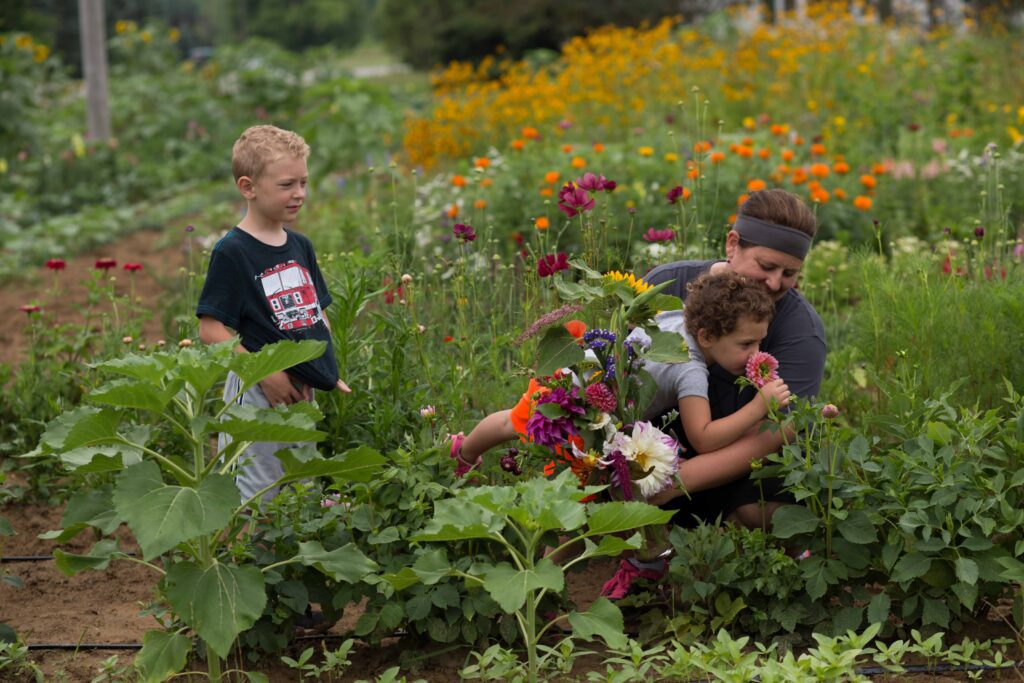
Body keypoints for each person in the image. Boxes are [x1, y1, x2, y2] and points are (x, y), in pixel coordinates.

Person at [599, 188, 826, 598]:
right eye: (767, 266)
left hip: (739, 458)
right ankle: (643, 552)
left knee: (761, 509)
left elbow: (782, 430)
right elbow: (619, 375)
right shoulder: (667, 284)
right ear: (732, 243)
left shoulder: (799, 332)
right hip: (662, 445)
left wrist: (677, 482)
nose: (777, 284)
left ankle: (776, 561)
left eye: (790, 273)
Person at [451, 271, 793, 474]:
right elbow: (702, 436)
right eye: (747, 344)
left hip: (579, 372)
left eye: (760, 342)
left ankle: (464, 453)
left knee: (511, 421)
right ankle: (554, 559)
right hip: (584, 407)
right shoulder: (689, 368)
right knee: (571, 481)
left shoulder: (677, 319)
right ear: (706, 336)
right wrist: (757, 408)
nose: (757, 353)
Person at [196, 124, 351, 505]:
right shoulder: (232, 251)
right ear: (248, 187)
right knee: (258, 489)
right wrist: (264, 374)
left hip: (301, 390)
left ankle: (295, 558)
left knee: (301, 480)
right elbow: (211, 329)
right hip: (256, 391)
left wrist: (325, 370)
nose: (299, 194)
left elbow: (315, 315)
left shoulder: (300, 245)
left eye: (304, 182)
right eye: (286, 185)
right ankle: (251, 558)